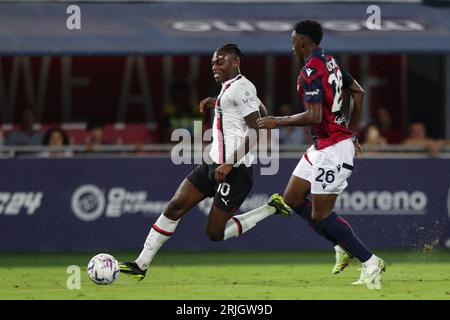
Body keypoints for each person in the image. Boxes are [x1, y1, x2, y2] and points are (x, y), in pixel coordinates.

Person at [119, 44, 291, 281]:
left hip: (235, 170)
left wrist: (229, 164)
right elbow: (261, 110)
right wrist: (219, 103)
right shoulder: (232, 88)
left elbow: (255, 131)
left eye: (221, 61)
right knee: (175, 206)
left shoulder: (241, 88)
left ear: (235, 63)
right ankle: (141, 264)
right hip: (213, 164)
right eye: (213, 62)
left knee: (214, 233)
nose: (215, 66)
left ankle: (271, 207)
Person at [250, 20, 385, 289]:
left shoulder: (310, 71)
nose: (291, 46)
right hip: (324, 144)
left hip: (333, 149)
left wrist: (278, 120)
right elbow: (358, 92)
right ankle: (341, 244)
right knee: (292, 198)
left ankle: (371, 262)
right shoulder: (330, 61)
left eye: (293, 41)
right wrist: (351, 131)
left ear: (302, 42)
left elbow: (314, 115)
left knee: (320, 216)